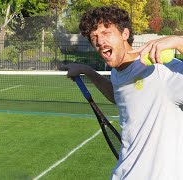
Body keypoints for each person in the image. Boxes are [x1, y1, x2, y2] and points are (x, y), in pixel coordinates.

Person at [62, 6, 183, 179]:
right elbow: (117, 95)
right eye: (94, 37)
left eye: (106, 33)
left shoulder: (160, 71)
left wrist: (178, 42)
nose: (100, 41)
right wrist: (87, 70)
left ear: (125, 34)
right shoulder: (117, 72)